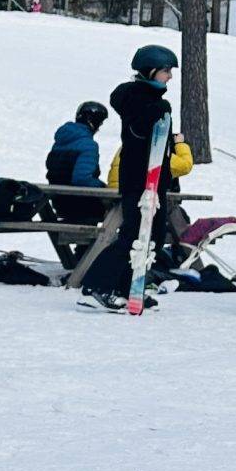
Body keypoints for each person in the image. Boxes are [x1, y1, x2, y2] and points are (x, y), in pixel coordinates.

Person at [78, 45, 180, 312]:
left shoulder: (151, 102)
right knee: (133, 236)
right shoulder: (140, 101)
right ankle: (95, 287)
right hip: (139, 181)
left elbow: (160, 148)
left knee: (153, 236)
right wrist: (160, 113)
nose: (170, 77)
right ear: (150, 71)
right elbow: (143, 136)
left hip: (153, 182)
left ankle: (127, 286)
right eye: (166, 71)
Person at [44, 101, 109, 224]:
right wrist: (103, 187)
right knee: (116, 212)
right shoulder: (88, 145)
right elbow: (82, 179)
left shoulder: (60, 142)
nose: (99, 128)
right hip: (81, 205)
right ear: (92, 122)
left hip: (59, 203)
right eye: (99, 123)